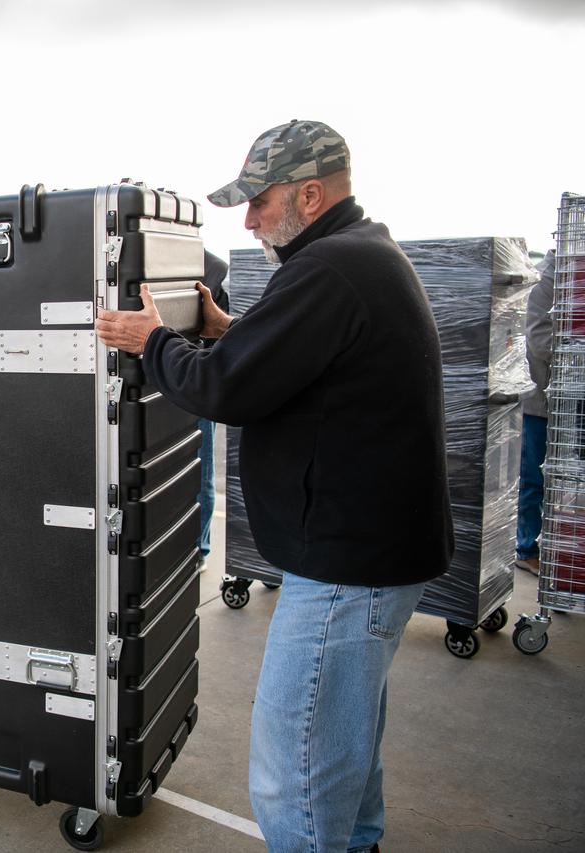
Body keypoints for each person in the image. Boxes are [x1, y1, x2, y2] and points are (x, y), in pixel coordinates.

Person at [96, 119, 453, 853]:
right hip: (378, 562)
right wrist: (231, 329)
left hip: (345, 573)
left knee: (297, 781)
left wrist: (152, 340)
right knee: (344, 758)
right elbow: (301, 360)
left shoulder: (327, 270)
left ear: (311, 194)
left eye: (260, 203)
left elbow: (225, 390)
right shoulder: (361, 256)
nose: (251, 220)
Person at [516, 249, 555, 575]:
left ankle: (557, 549)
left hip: (565, 404)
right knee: (533, 480)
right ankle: (527, 548)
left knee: (562, 482)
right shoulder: (549, 281)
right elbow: (540, 340)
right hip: (540, 399)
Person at [196, 250, 230, 566]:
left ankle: (199, 550)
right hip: (163, 377)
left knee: (201, 470)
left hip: (195, 381)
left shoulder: (212, 268)